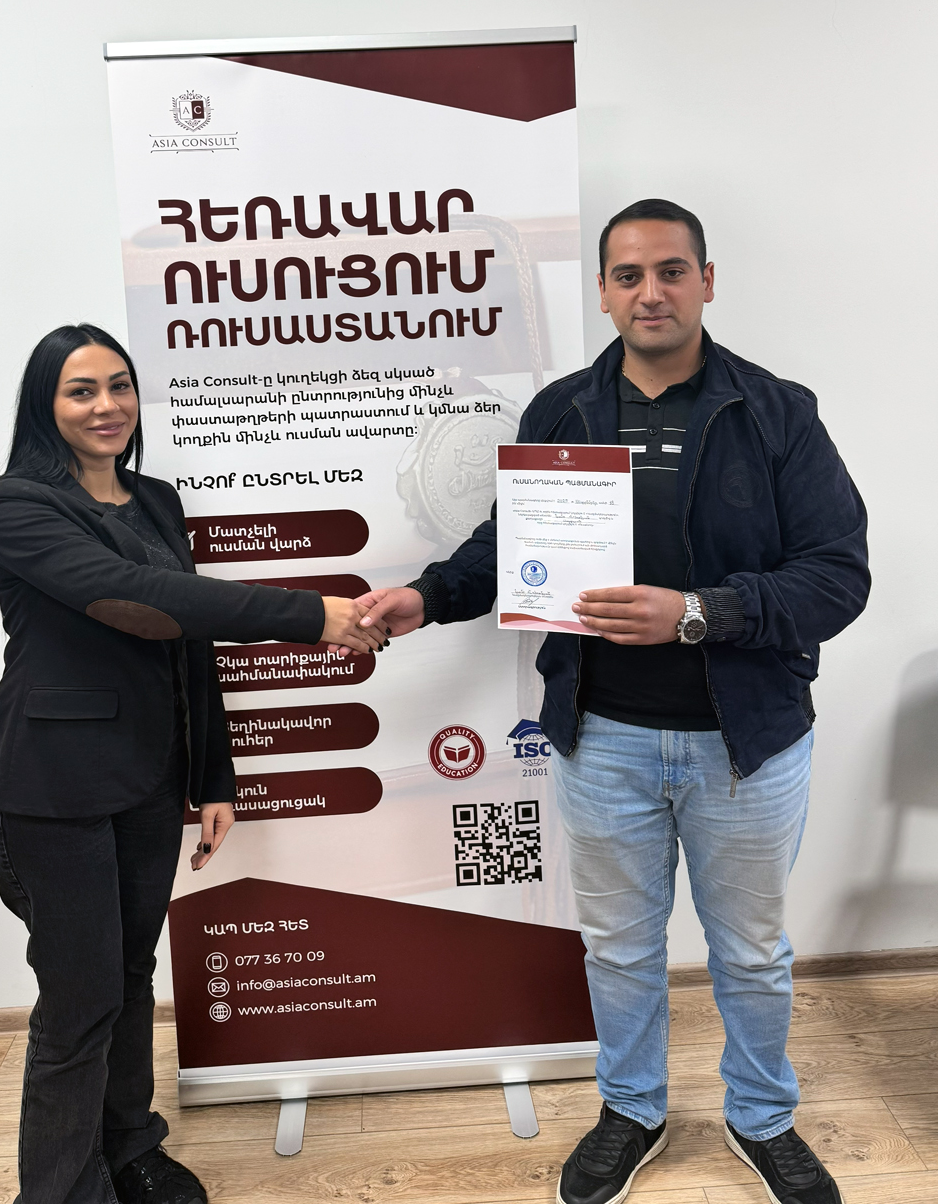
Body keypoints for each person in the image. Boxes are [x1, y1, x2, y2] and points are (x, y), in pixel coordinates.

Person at [352, 201, 869, 1204]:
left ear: (707, 281)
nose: (651, 292)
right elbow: (511, 550)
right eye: (629, 275)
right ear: (602, 291)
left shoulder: (777, 413)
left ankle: (763, 1116)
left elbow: (837, 578)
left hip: (747, 744)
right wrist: (428, 595)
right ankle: (632, 1109)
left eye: (672, 271)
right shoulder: (561, 412)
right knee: (622, 951)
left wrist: (699, 613)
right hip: (604, 739)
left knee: (751, 955)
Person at [0, 324, 385, 1204]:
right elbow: (138, 599)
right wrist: (309, 616)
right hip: (53, 790)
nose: (107, 406)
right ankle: (60, 1191)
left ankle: (131, 1150)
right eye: (81, 390)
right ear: (45, 405)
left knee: (130, 978)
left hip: (149, 781)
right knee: (79, 1001)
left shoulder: (155, 499)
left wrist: (212, 779)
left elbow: (188, 639)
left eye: (119, 386)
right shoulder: (15, 505)